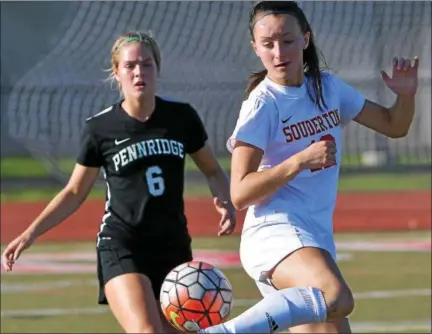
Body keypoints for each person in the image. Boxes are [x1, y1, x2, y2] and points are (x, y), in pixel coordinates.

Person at [200, 1, 419, 333]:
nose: (278, 51)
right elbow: (240, 192)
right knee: (337, 296)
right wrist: (299, 161)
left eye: (287, 40)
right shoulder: (262, 104)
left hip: (314, 236)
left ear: (305, 38)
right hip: (275, 233)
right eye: (268, 44)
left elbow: (394, 125)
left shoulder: (328, 87)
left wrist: (406, 96)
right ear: (255, 49)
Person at [1, 31, 236, 333]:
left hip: (173, 244)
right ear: (116, 72)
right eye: (130, 65)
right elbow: (74, 191)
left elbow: (213, 170)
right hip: (122, 244)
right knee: (147, 330)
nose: (139, 72)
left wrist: (226, 201)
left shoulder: (181, 117)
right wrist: (31, 233)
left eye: (147, 64)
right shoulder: (100, 128)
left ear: (157, 68)